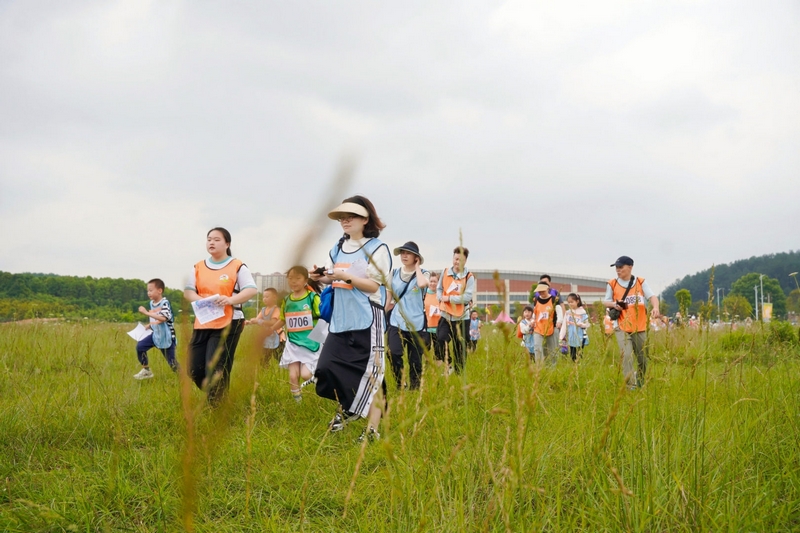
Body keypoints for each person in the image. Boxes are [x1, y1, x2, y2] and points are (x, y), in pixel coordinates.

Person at [310, 195, 391, 443]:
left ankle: (373, 430)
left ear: (365, 218)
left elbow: (373, 285)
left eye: (351, 216)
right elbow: (330, 278)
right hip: (340, 320)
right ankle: (351, 408)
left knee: (373, 375)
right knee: (325, 369)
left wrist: (347, 277)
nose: (345, 220)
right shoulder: (336, 248)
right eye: (342, 217)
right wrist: (318, 276)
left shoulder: (378, 249)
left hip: (368, 319)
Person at [184, 227, 258, 404]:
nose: (211, 242)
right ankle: (216, 395)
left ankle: (217, 408)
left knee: (216, 367)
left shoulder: (237, 266)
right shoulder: (198, 267)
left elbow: (251, 290)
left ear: (227, 244)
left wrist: (231, 299)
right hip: (204, 320)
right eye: (209, 239)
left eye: (217, 239)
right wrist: (202, 300)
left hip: (229, 322)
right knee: (193, 368)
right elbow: (188, 292)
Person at [604, 255, 660, 390]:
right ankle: (629, 385)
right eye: (616, 268)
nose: (618, 270)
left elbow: (652, 296)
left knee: (643, 358)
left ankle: (640, 380)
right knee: (627, 355)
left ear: (630, 267)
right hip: (621, 326)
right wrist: (614, 304)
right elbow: (605, 301)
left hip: (639, 326)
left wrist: (656, 307)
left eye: (621, 267)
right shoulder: (612, 283)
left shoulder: (640, 282)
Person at [387, 241, 429, 390]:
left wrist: (417, 267)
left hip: (416, 323)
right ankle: (400, 383)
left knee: (415, 360)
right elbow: (389, 297)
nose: (404, 255)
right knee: (393, 353)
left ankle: (414, 389)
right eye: (402, 253)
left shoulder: (424, 274)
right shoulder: (394, 273)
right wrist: (383, 314)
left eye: (408, 253)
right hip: (396, 320)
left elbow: (423, 284)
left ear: (416, 257)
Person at [276, 267, 321, 402]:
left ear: (305, 280)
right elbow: (282, 319)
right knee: (293, 376)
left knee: (306, 375)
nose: (293, 282)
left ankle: (325, 384)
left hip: (310, 343)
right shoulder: (287, 300)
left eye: (297, 278)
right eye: (290, 278)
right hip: (293, 343)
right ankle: (298, 404)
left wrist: (320, 339)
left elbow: (323, 318)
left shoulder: (313, 298)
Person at [437, 246, 475, 375]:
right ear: (453, 258)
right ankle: (448, 364)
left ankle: (459, 372)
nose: (457, 262)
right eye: (456, 258)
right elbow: (439, 288)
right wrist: (439, 297)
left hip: (462, 317)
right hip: (446, 315)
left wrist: (448, 298)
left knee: (460, 346)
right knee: (441, 339)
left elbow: (467, 297)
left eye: (461, 260)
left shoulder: (469, 277)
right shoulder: (445, 272)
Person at [133, 278, 177, 379]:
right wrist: (151, 324)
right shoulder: (152, 303)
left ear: (159, 291)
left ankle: (185, 378)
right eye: (147, 290)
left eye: (151, 290)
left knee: (172, 363)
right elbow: (157, 318)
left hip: (166, 337)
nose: (148, 293)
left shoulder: (165, 303)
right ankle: (146, 370)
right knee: (140, 347)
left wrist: (146, 313)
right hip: (156, 335)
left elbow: (164, 318)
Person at [531, 281, 563, 365]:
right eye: (539, 292)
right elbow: (535, 312)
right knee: (537, 347)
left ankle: (553, 367)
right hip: (539, 327)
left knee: (552, 349)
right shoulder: (537, 300)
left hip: (552, 327)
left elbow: (559, 312)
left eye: (543, 291)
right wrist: (532, 321)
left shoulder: (554, 299)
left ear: (548, 289)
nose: (541, 293)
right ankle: (539, 366)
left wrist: (559, 321)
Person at [246, 288, 281, 362]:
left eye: (267, 297)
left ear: (274, 297)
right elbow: (257, 319)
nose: (265, 299)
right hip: (266, 337)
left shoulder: (276, 309)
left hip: (277, 337)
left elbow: (273, 322)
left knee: (278, 357)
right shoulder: (263, 310)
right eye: (263, 297)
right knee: (264, 359)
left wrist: (259, 321)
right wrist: (249, 322)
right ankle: (265, 370)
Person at [559, 293, 589, 362]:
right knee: (572, 354)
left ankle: (579, 366)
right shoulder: (568, 313)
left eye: (572, 302)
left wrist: (582, 325)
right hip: (571, 337)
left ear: (577, 301)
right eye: (569, 302)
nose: (570, 304)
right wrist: (561, 337)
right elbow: (564, 326)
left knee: (579, 353)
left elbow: (587, 324)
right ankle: (574, 366)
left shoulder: (582, 312)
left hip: (580, 337)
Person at [424, 272, 445, 363]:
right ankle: (427, 363)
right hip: (427, 325)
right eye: (431, 281)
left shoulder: (441, 295)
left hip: (439, 326)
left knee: (438, 348)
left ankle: (437, 367)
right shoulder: (424, 294)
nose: (433, 283)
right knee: (425, 345)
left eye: (435, 282)